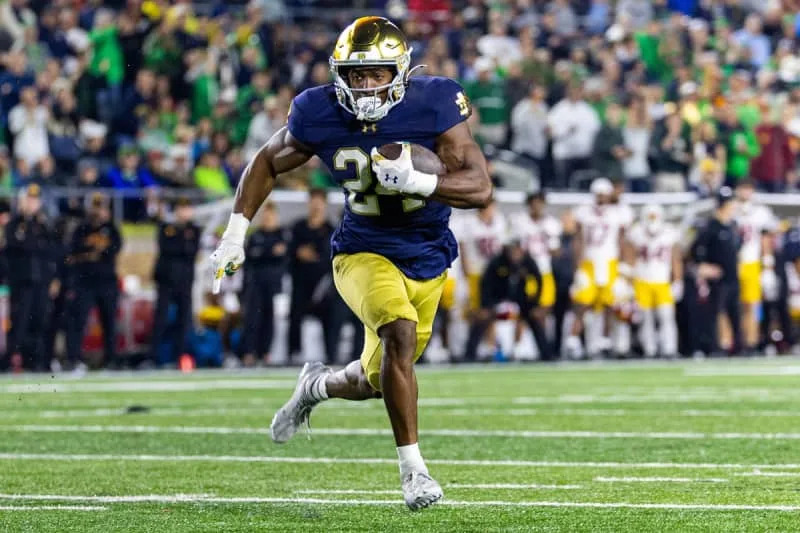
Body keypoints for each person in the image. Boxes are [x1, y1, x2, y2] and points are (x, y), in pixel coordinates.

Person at [209, 17, 491, 510]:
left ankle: (314, 386)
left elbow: (481, 187)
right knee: (398, 333)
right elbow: (267, 161)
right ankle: (414, 473)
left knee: (375, 380)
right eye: (355, 75)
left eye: (376, 74)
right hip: (361, 250)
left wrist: (420, 182)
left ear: (399, 72)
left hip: (428, 253)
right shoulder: (318, 110)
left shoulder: (435, 102)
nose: (364, 85)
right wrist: (236, 233)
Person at [565, 177, 634, 359]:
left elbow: (623, 241)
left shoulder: (618, 212)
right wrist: (577, 268)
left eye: (604, 194)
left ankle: (606, 341)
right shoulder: (584, 211)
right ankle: (573, 341)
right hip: (589, 263)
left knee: (610, 305)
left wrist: (624, 267)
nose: (602, 198)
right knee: (583, 303)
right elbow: (578, 241)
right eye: (599, 194)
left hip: (610, 263)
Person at [65, 192, 122, 371]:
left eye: (102, 207)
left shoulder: (111, 229)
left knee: (109, 322)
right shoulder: (81, 228)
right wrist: (93, 250)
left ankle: (110, 360)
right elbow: (74, 251)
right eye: (96, 206)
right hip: (85, 281)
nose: (99, 211)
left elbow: (114, 249)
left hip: (106, 281)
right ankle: (73, 359)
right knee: (78, 321)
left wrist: (92, 251)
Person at [4, 184, 53, 371]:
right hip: (21, 281)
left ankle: (37, 362)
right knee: (19, 323)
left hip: (41, 281)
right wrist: (26, 221)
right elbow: (20, 246)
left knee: (39, 322)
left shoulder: (44, 223)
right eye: (29, 199)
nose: (32, 203)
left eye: (35, 199)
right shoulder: (15, 224)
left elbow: (50, 250)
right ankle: (12, 362)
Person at [691, 187, 743, 356]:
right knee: (716, 313)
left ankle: (739, 347)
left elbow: (737, 249)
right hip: (718, 279)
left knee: (735, 312)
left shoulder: (733, 226)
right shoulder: (710, 227)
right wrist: (703, 266)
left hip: (733, 276)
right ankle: (716, 347)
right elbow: (695, 250)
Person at [149, 197, 200, 366]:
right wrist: (181, 244)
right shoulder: (166, 227)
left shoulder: (194, 229)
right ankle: (154, 357)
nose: (184, 212)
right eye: (182, 208)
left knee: (183, 320)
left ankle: (180, 356)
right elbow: (167, 248)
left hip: (185, 280)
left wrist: (179, 245)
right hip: (166, 279)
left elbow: (191, 250)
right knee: (160, 319)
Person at [286, 188, 335, 364]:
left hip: (323, 283)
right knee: (295, 316)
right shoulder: (298, 227)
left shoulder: (331, 229)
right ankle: (294, 353)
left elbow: (328, 256)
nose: (316, 205)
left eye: (319, 201)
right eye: (313, 201)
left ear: (324, 204)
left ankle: (331, 354)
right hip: (301, 280)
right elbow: (291, 252)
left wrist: (311, 255)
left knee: (329, 317)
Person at [626, 204, 683, 358]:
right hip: (642, 280)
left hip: (662, 281)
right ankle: (649, 350)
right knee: (645, 318)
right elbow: (630, 256)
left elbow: (675, 258)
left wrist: (677, 280)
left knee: (666, 316)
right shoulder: (636, 232)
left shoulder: (669, 232)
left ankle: (669, 349)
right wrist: (629, 281)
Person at [455, 198, 507, 361]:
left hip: (493, 275)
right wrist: (465, 271)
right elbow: (463, 248)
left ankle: (489, 347)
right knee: (476, 312)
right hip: (476, 273)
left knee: (491, 312)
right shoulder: (470, 223)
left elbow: (502, 250)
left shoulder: (499, 222)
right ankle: (473, 347)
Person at [511, 191, 561, 360]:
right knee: (525, 311)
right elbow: (515, 248)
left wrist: (549, 240)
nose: (537, 206)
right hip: (528, 273)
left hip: (544, 271)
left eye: (540, 202)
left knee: (544, 310)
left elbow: (555, 252)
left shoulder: (551, 224)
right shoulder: (520, 222)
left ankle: (541, 347)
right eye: (534, 203)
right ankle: (517, 348)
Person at [240, 202, 289, 367]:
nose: (268, 219)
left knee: (270, 319)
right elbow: (252, 255)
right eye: (265, 215)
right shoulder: (255, 235)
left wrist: (264, 253)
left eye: (271, 215)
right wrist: (270, 252)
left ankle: (266, 353)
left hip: (275, 285)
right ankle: (249, 353)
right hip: (255, 284)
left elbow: (283, 255)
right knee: (252, 318)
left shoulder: (283, 234)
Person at [733, 180, 776, 353]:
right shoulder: (731, 209)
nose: (745, 192)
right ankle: (734, 342)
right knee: (736, 306)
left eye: (748, 189)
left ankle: (751, 342)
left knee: (753, 305)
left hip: (752, 263)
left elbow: (766, 240)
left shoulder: (761, 212)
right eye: (742, 189)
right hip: (734, 263)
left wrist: (768, 266)